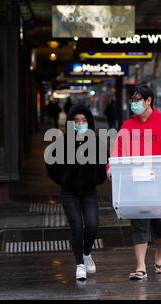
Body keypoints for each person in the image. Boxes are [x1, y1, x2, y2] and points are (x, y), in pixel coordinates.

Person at [108, 84, 161, 280]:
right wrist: (111, 169)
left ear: (148, 100)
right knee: (139, 223)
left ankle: (159, 258)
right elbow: (118, 151)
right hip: (136, 183)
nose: (133, 104)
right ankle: (140, 266)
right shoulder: (128, 126)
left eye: (136, 100)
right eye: (132, 100)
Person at [45, 105, 107, 281]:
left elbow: (104, 165)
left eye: (84, 121)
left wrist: (96, 179)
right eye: (77, 121)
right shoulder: (62, 142)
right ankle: (80, 264)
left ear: (89, 122)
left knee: (92, 224)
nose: (80, 124)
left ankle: (86, 253)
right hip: (69, 192)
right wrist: (63, 179)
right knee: (76, 227)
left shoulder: (95, 142)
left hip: (89, 192)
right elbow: (50, 164)